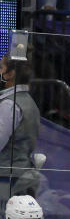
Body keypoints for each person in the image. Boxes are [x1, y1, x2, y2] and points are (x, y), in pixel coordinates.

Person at [0, 53, 39, 202]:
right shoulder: (29, 102)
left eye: (1, 67)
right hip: (17, 175)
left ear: (10, 74)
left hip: (6, 179)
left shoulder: (10, 105)